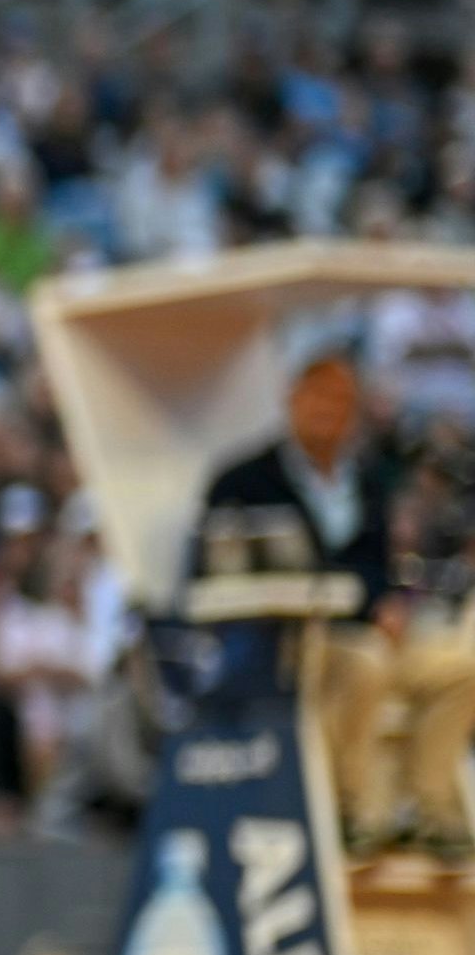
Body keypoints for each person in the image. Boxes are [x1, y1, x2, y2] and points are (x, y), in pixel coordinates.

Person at [193, 346, 475, 852]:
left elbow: (379, 567)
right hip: (291, 643)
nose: (329, 409)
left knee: (460, 667)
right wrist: (363, 602)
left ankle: (432, 809)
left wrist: (390, 602)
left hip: (372, 628)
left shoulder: (366, 478)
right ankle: (352, 811)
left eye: (343, 397)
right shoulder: (243, 480)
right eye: (319, 394)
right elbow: (218, 572)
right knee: (364, 666)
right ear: (292, 398)